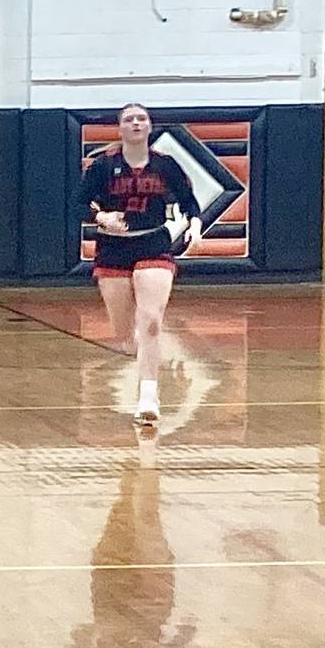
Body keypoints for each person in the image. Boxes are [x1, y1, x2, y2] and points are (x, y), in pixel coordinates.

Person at [76, 102, 201, 425]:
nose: (135, 123)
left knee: (151, 320)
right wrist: (101, 216)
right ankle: (142, 350)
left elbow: (190, 203)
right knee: (124, 333)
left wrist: (195, 225)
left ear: (149, 127)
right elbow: (77, 203)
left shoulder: (166, 165)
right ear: (120, 128)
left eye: (141, 119)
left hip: (153, 244)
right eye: (129, 119)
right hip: (113, 249)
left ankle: (148, 396)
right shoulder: (103, 166)